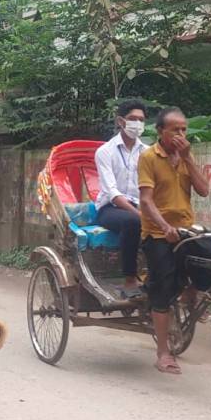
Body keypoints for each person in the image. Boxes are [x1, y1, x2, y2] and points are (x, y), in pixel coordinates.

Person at [138, 107, 211, 375]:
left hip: (186, 229)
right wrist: (164, 225)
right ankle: (163, 352)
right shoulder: (149, 157)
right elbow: (146, 200)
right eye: (176, 130)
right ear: (161, 132)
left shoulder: (186, 156)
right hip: (158, 232)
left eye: (184, 129)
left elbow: (204, 191)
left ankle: (190, 292)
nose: (181, 134)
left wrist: (189, 159)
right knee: (162, 286)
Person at [95, 99, 149, 298]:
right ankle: (129, 280)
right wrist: (141, 214)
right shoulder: (105, 152)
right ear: (120, 121)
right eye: (132, 119)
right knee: (134, 221)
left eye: (141, 120)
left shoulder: (147, 152)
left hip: (140, 205)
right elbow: (112, 193)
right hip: (110, 209)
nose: (137, 123)